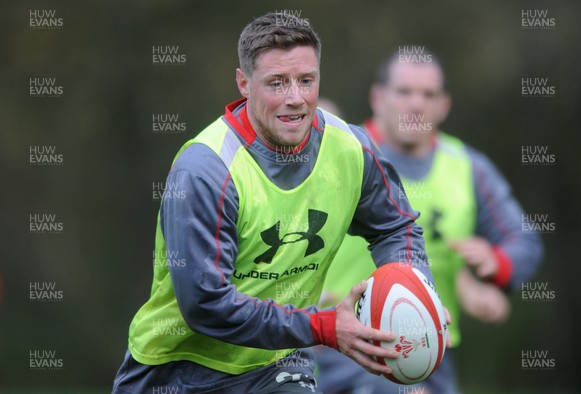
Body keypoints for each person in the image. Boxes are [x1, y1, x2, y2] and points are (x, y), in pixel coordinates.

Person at [112, 14, 444, 394]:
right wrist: (324, 327)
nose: (295, 98)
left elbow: (395, 226)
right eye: (277, 83)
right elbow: (205, 305)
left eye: (306, 80)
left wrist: (418, 293)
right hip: (178, 369)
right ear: (244, 83)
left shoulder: (352, 149)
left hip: (277, 365)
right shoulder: (206, 169)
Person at [315, 49, 543, 394]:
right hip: (340, 352)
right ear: (379, 98)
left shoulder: (468, 168)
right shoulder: (337, 153)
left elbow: (526, 240)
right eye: (405, 92)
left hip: (429, 355)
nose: (416, 104)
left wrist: (494, 267)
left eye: (429, 94)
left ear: (444, 105)